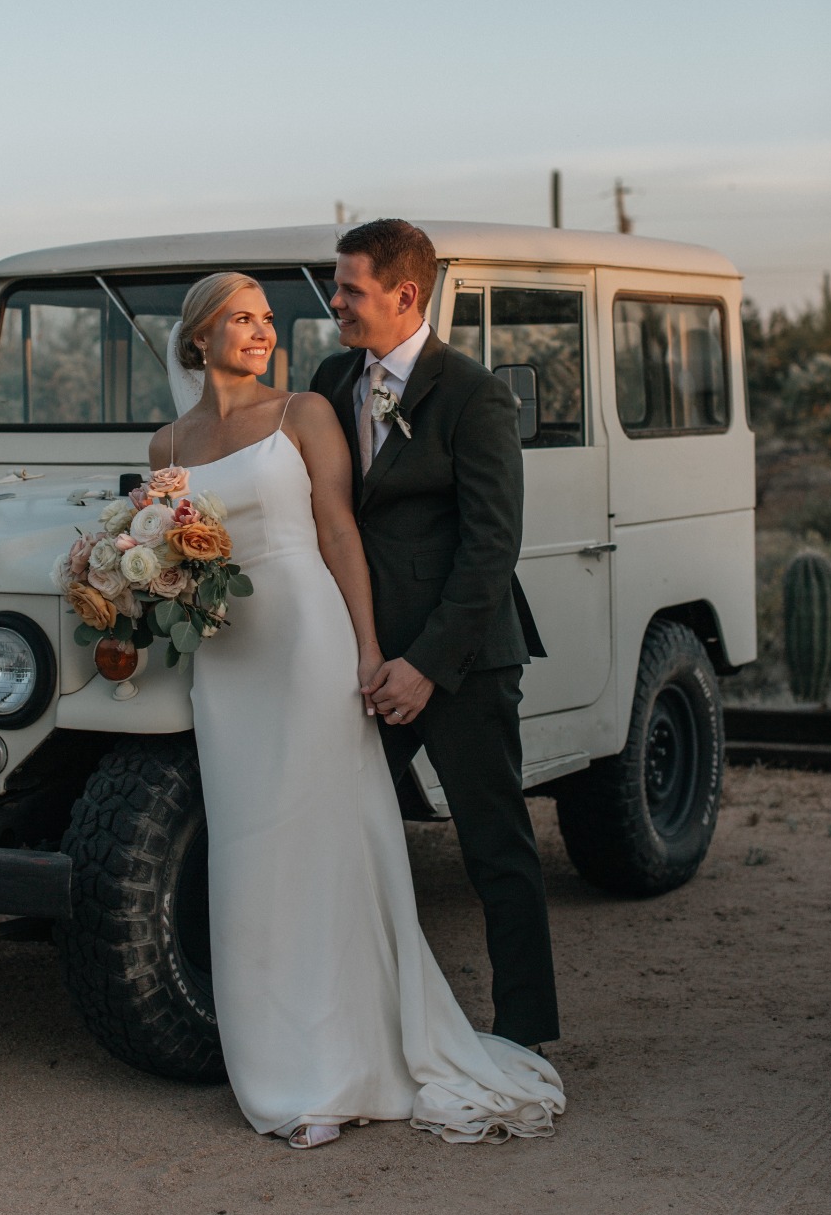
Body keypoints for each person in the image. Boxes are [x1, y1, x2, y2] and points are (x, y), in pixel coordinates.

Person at [150, 271, 563, 1149]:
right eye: (245, 319)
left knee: (424, 838)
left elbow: (371, 532)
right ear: (199, 338)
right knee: (260, 850)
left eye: (274, 317)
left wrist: (378, 652)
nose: (274, 328)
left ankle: (508, 1030)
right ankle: (284, 1054)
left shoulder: (353, 404)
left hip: (343, 643)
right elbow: (175, 547)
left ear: (404, 292)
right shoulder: (211, 428)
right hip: (232, 660)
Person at [309, 218, 559, 1051]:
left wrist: (426, 667)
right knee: (346, 841)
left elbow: (493, 548)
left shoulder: (474, 393)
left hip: (461, 664)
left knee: (495, 850)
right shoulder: (330, 377)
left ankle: (525, 1031)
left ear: (405, 294)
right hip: (360, 662)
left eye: (350, 288)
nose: (334, 301)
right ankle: (354, 1025)